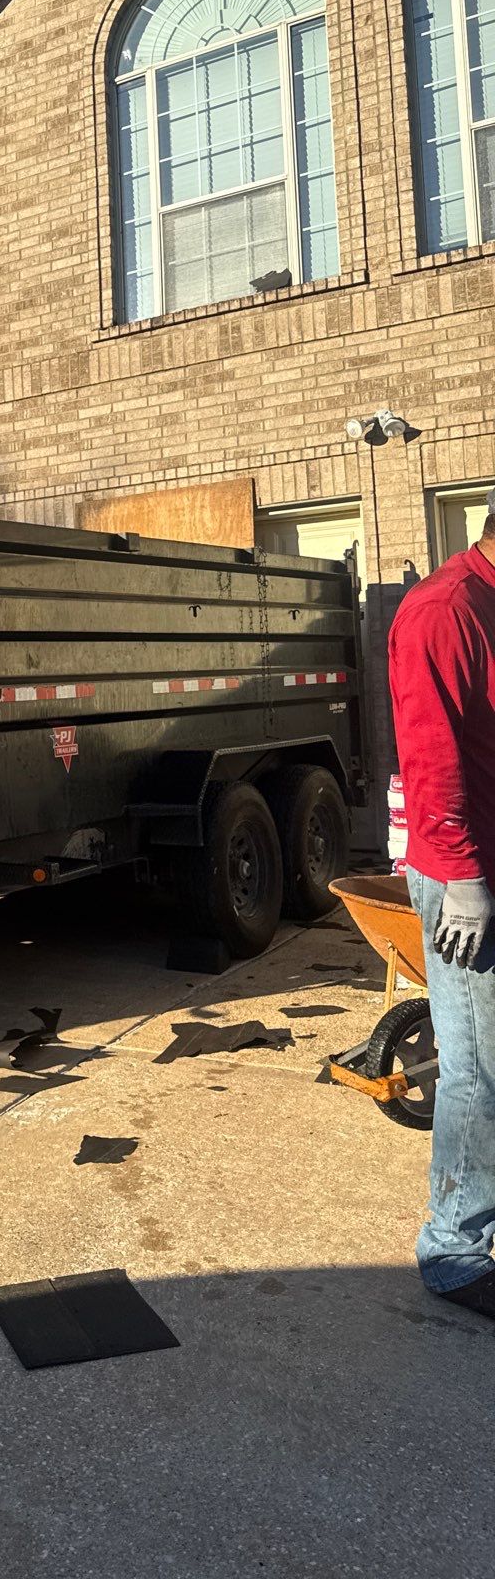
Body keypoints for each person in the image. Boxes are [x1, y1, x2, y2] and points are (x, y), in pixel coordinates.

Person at [388, 486, 495, 1313]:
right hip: (467, 881)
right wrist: (461, 879)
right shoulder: (444, 611)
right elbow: (432, 758)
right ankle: (456, 1249)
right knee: (477, 1067)